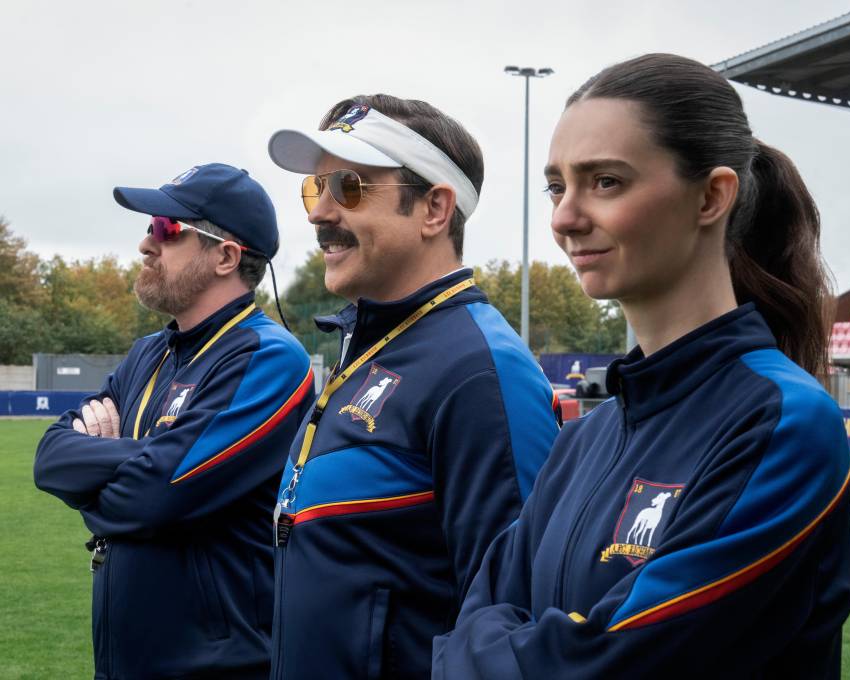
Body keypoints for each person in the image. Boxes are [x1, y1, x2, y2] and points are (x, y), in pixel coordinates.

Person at [434, 54, 850, 679]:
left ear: (712, 196)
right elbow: (466, 624)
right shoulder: (581, 440)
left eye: (606, 181)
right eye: (557, 186)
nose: (564, 218)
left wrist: (495, 651)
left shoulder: (782, 424)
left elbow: (606, 664)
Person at [266, 95, 561, 679]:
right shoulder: (376, 341)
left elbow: (514, 626)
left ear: (433, 208)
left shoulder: (480, 371)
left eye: (348, 186)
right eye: (315, 187)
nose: (318, 212)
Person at [34, 163, 315, 679]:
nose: (146, 243)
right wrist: (146, 457)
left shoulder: (267, 357)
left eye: (166, 228)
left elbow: (154, 494)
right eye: (149, 228)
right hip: (124, 661)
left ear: (226, 256)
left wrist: (109, 473)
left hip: (217, 666)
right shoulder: (148, 352)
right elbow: (50, 457)